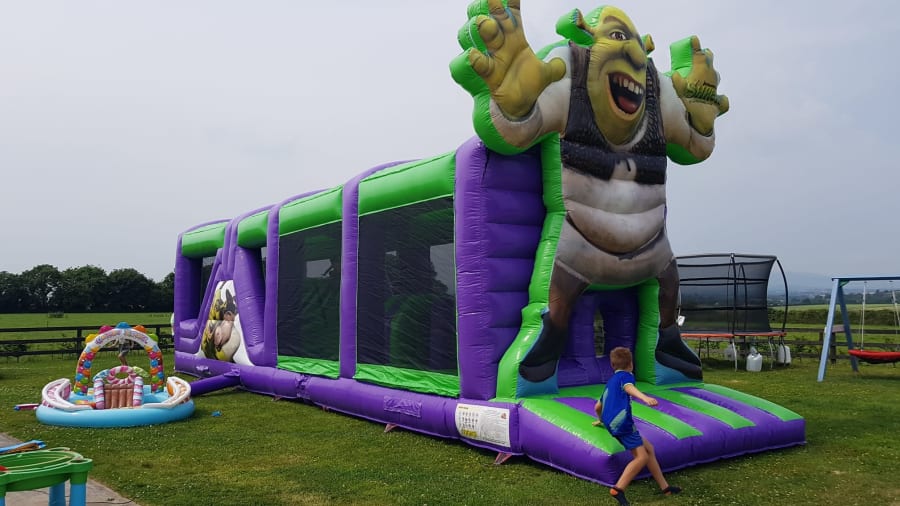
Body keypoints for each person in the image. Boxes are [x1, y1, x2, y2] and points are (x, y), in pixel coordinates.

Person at [593, 347, 681, 505]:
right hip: (622, 424)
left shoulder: (611, 381)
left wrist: (601, 420)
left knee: (649, 449)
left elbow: (597, 406)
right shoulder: (627, 376)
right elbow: (629, 387)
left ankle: (665, 488)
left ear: (612, 365)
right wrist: (645, 398)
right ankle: (618, 489)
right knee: (642, 457)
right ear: (631, 365)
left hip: (612, 422)